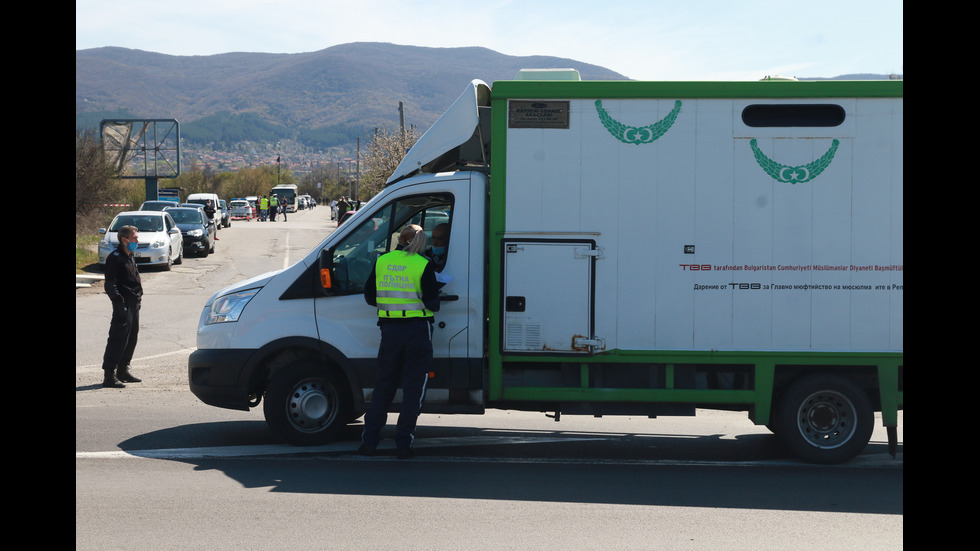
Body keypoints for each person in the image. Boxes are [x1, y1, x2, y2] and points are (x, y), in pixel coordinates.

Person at [359, 224, 441, 459]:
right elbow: (432, 303)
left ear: (400, 238)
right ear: (419, 241)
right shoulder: (423, 264)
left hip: (390, 330)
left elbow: (369, 296)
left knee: (383, 387)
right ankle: (403, 445)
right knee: (413, 389)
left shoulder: (382, 261)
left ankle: (369, 443)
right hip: (417, 331)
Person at [101, 225, 144, 388]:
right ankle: (109, 375)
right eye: (135, 238)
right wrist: (119, 303)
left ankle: (123, 370)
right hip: (123, 304)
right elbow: (110, 284)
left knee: (131, 338)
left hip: (134, 303)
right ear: (125, 240)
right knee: (117, 339)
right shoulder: (116, 257)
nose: (137, 241)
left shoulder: (129, 256)